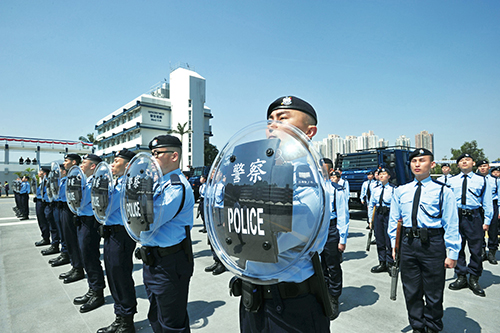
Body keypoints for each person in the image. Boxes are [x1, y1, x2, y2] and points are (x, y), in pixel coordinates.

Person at [234, 96, 331, 332]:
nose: (273, 125)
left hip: (290, 305)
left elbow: (266, 241)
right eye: (270, 121)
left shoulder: (310, 184)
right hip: (251, 296)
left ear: (310, 131)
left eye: (283, 118)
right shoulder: (258, 177)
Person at [388, 148, 461, 333]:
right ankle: (418, 327)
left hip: (433, 244)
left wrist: (452, 253)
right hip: (408, 244)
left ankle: (433, 327)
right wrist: (394, 246)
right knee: (411, 291)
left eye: (422, 160)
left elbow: (451, 223)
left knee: (434, 293)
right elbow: (393, 220)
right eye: (414, 161)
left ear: (432, 164)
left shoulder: (443, 191)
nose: (417, 164)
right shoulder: (401, 191)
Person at [137, 135, 194, 332]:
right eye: (151, 154)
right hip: (153, 260)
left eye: (157, 154)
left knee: (171, 322)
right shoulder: (158, 183)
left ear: (174, 156)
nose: (152, 160)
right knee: (156, 315)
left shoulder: (176, 186)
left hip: (170, 263)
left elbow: (147, 221)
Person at [97, 149, 137, 333]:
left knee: (120, 276)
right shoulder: (117, 183)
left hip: (121, 234)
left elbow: (106, 206)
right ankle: (120, 315)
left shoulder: (126, 185)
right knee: (113, 275)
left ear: (128, 165)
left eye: (116, 161)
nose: (112, 164)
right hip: (111, 233)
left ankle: (126, 320)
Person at [448, 153, 493, 297]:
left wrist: (486, 221)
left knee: (476, 249)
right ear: (458, 165)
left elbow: (487, 203)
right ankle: (461, 276)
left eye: (467, 160)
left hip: (474, 217)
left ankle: (474, 277)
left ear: (473, 163)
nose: (464, 162)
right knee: (457, 247)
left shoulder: (482, 180)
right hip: (456, 216)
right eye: (461, 160)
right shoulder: (452, 181)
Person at [73, 154, 106, 313]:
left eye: (84, 162)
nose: (81, 165)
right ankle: (92, 288)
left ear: (93, 166)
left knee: (90, 255)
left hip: (90, 220)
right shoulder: (85, 180)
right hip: (82, 219)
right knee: (85, 255)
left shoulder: (96, 182)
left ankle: (97, 292)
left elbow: (83, 199)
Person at [322, 159, 349, 321]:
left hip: (331, 230)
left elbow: (343, 214)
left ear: (331, 170)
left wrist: (342, 238)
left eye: (324, 169)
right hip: (316, 230)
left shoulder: (336, 190)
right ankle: (322, 292)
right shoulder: (312, 188)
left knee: (333, 265)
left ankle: (333, 297)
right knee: (319, 265)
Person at [58, 154, 85, 284]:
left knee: (73, 240)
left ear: (74, 162)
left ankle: (78, 268)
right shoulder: (69, 175)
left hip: (72, 209)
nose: (64, 163)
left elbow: (66, 193)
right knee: (68, 238)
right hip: (66, 207)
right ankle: (75, 266)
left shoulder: (78, 176)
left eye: (66, 160)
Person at [368, 168, 395, 274]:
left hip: (389, 214)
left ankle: (390, 263)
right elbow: (371, 204)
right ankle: (382, 262)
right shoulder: (375, 189)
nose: (381, 176)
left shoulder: (393, 189)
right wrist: (370, 219)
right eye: (380, 174)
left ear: (389, 176)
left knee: (389, 240)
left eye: (384, 174)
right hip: (379, 214)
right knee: (379, 239)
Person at [476, 160, 499, 265]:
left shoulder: (495, 180)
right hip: (479, 206)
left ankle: (492, 253)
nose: (482, 168)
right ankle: (482, 251)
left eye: (484, 166)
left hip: (492, 205)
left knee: (493, 230)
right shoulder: (475, 180)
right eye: (480, 166)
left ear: (489, 167)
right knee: (479, 229)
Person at [34, 168, 51, 246]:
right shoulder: (42, 182)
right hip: (39, 201)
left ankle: (46, 238)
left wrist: (43, 199)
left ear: (44, 174)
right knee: (41, 220)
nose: (39, 173)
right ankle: (45, 237)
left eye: (40, 171)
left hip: (44, 202)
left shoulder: (47, 182)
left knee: (44, 221)